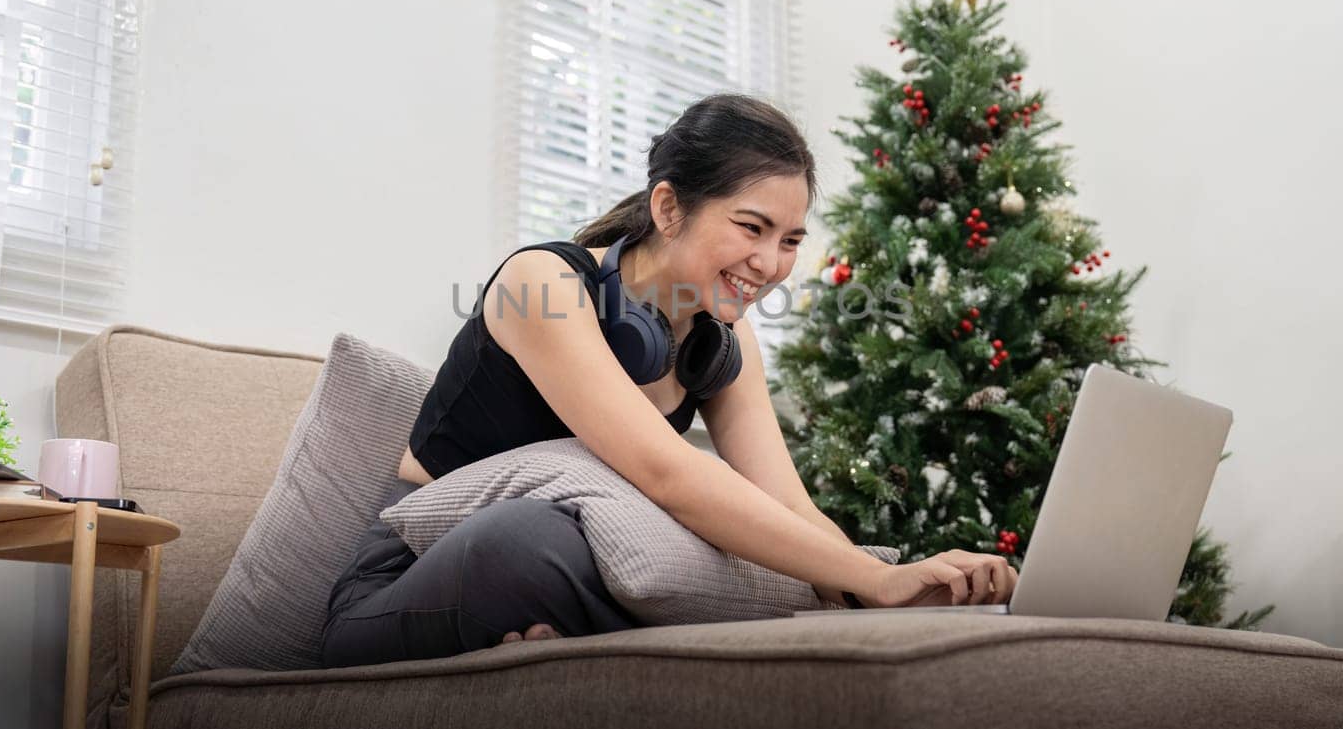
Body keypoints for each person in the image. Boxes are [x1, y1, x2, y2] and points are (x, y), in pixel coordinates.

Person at [320, 93, 1017, 667]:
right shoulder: (543, 285)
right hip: (403, 581)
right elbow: (668, 474)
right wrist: (873, 578)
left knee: (677, 553)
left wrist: (882, 590)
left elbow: (789, 504)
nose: (771, 263)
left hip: (566, 571)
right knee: (533, 538)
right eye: (752, 226)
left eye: (792, 240)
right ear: (667, 208)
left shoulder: (724, 336)